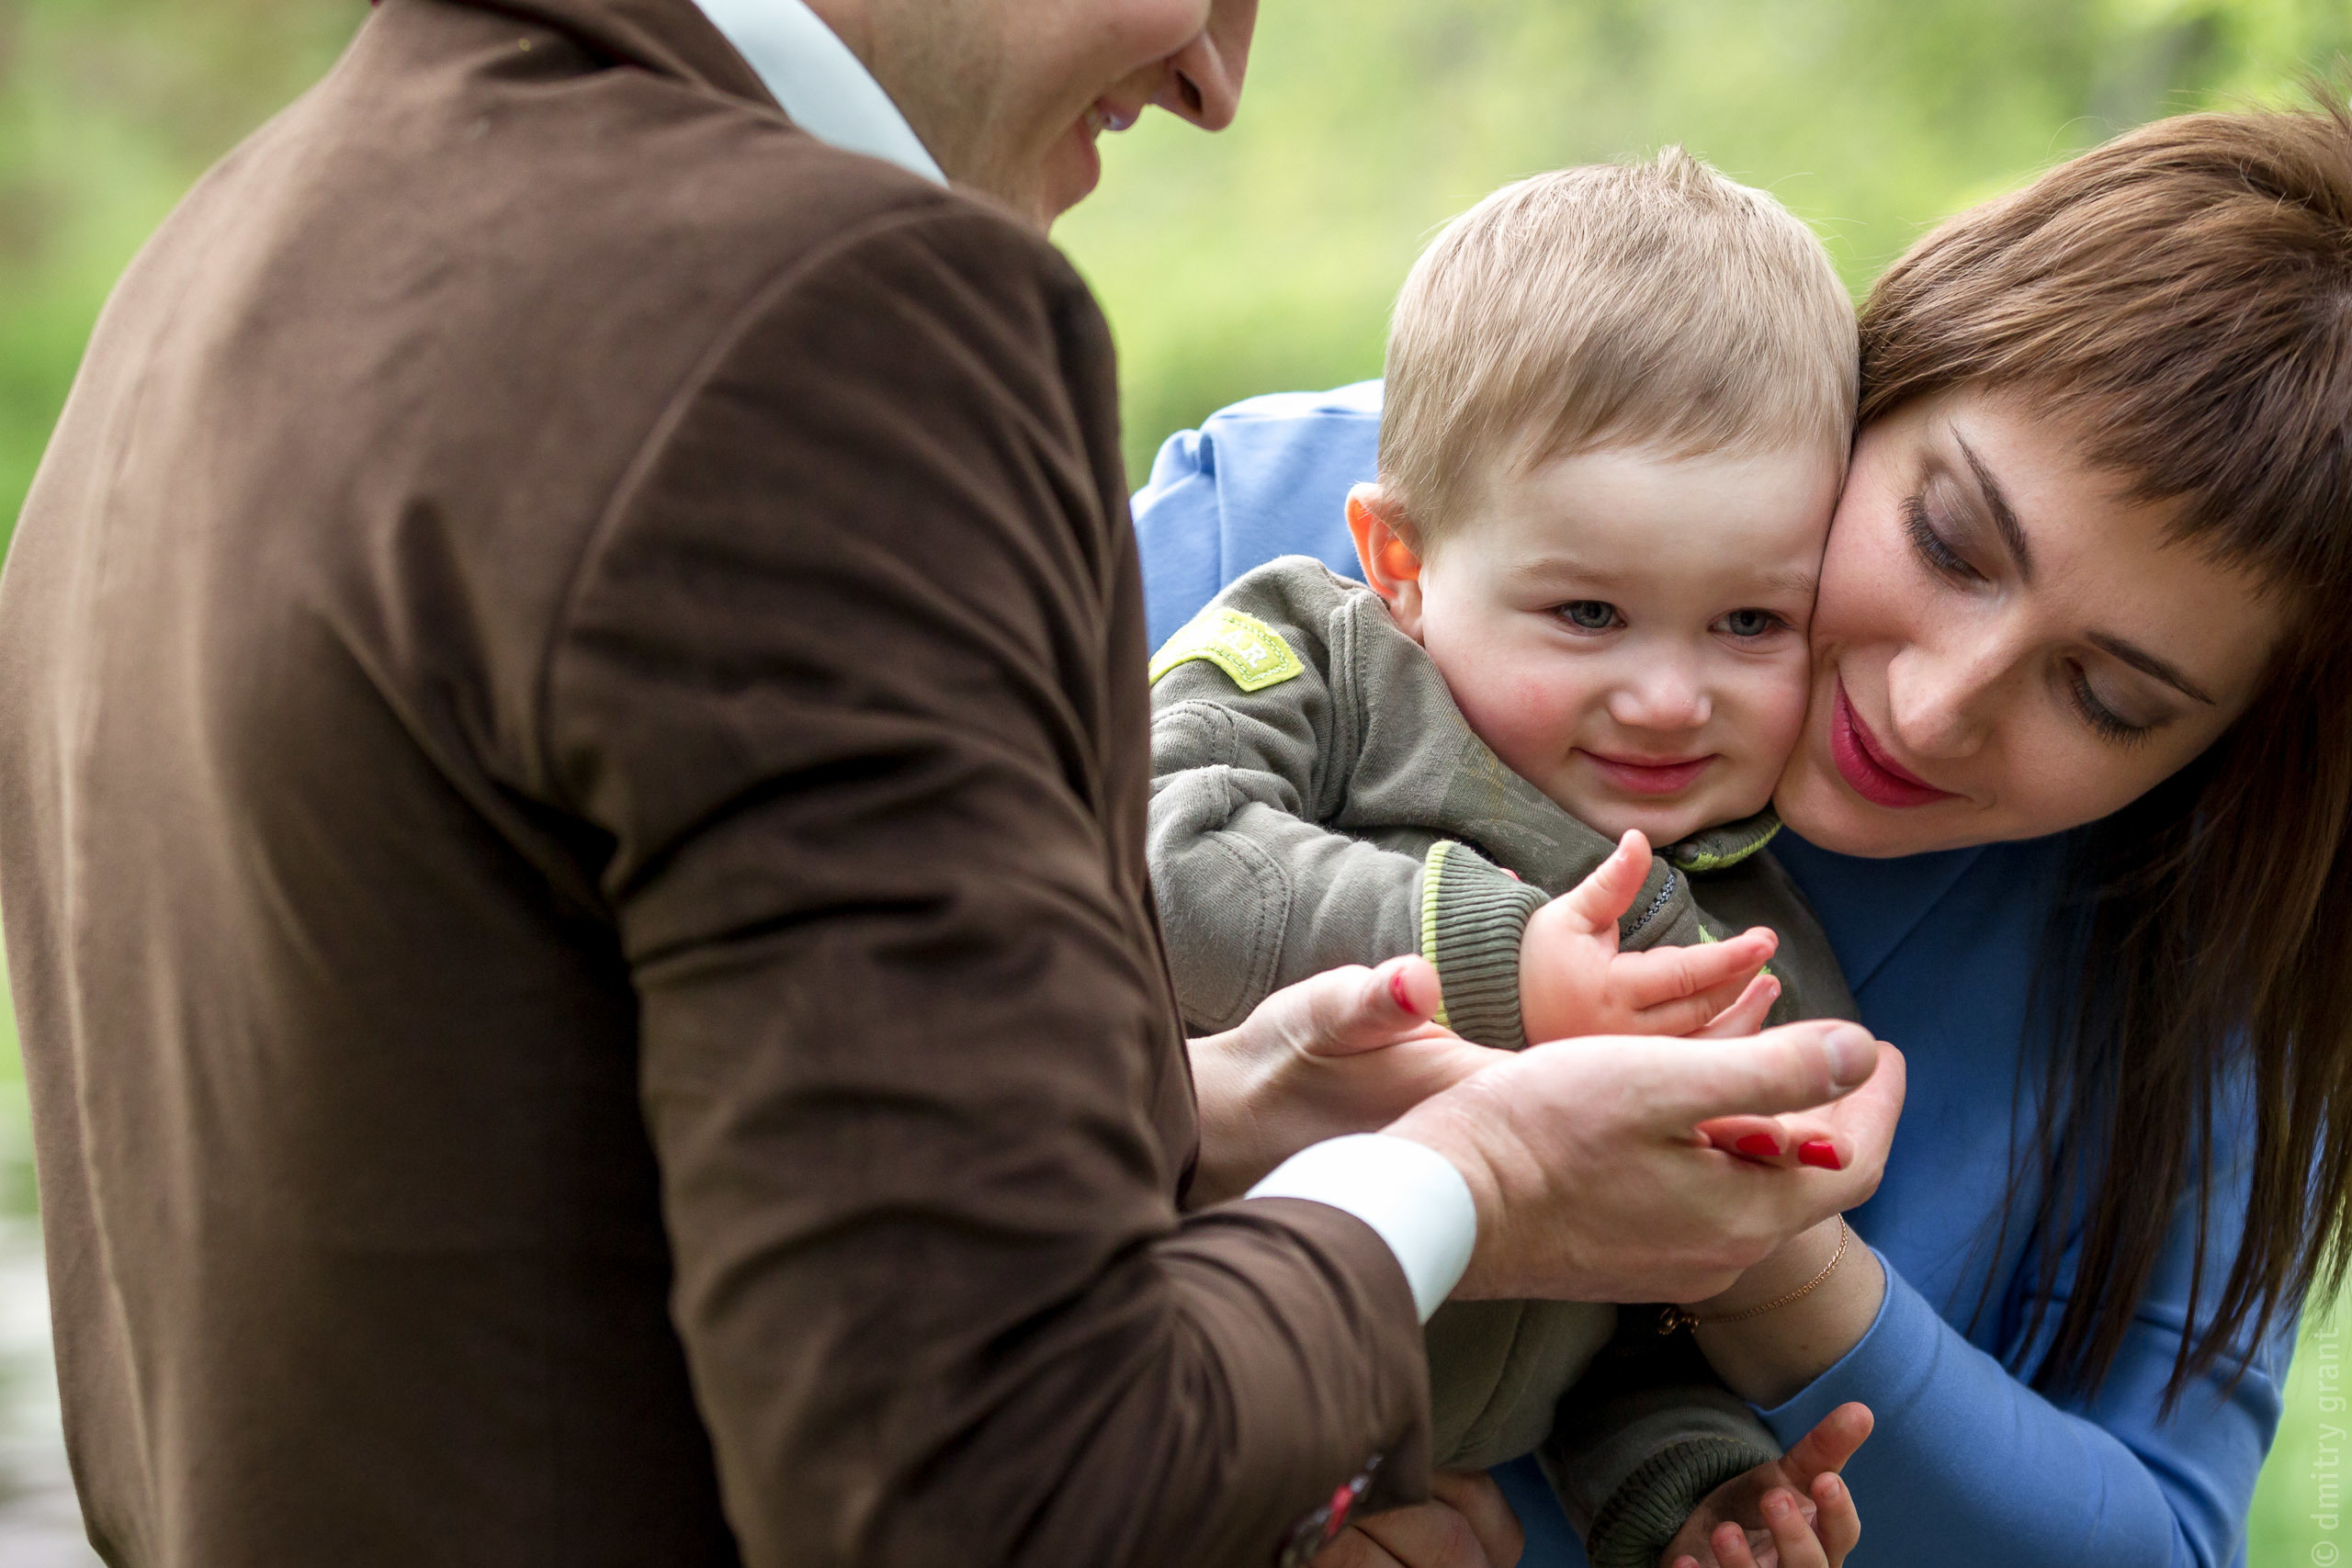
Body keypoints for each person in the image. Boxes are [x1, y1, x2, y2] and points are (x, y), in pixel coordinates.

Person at [0, 2, 1901, 1565]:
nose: (1214, 80)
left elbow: (541, 1111)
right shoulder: (824, 315)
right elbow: (1002, 1487)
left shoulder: (222, 255)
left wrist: (1216, 1109)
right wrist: (1467, 1173)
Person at [1139, 101, 2352, 1567]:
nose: (1932, 705)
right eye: (1950, 542)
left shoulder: (2173, 962)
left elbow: (2157, 1542)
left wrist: (1762, 1282)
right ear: (1879, 384)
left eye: (2101, 696)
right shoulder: (1284, 536)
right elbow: (825, 1019)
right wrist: (1261, 1121)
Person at [1148, 150, 1871, 1505]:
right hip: (1110, 1349)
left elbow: (1644, 1293)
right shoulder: (1324, 662)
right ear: (1402, 565)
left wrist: (1692, 1485)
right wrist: (1505, 962)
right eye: (1589, 614)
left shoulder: (1736, 940)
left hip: (1384, 1489)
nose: (1668, 698)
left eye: (1751, 622)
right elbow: (1166, 864)